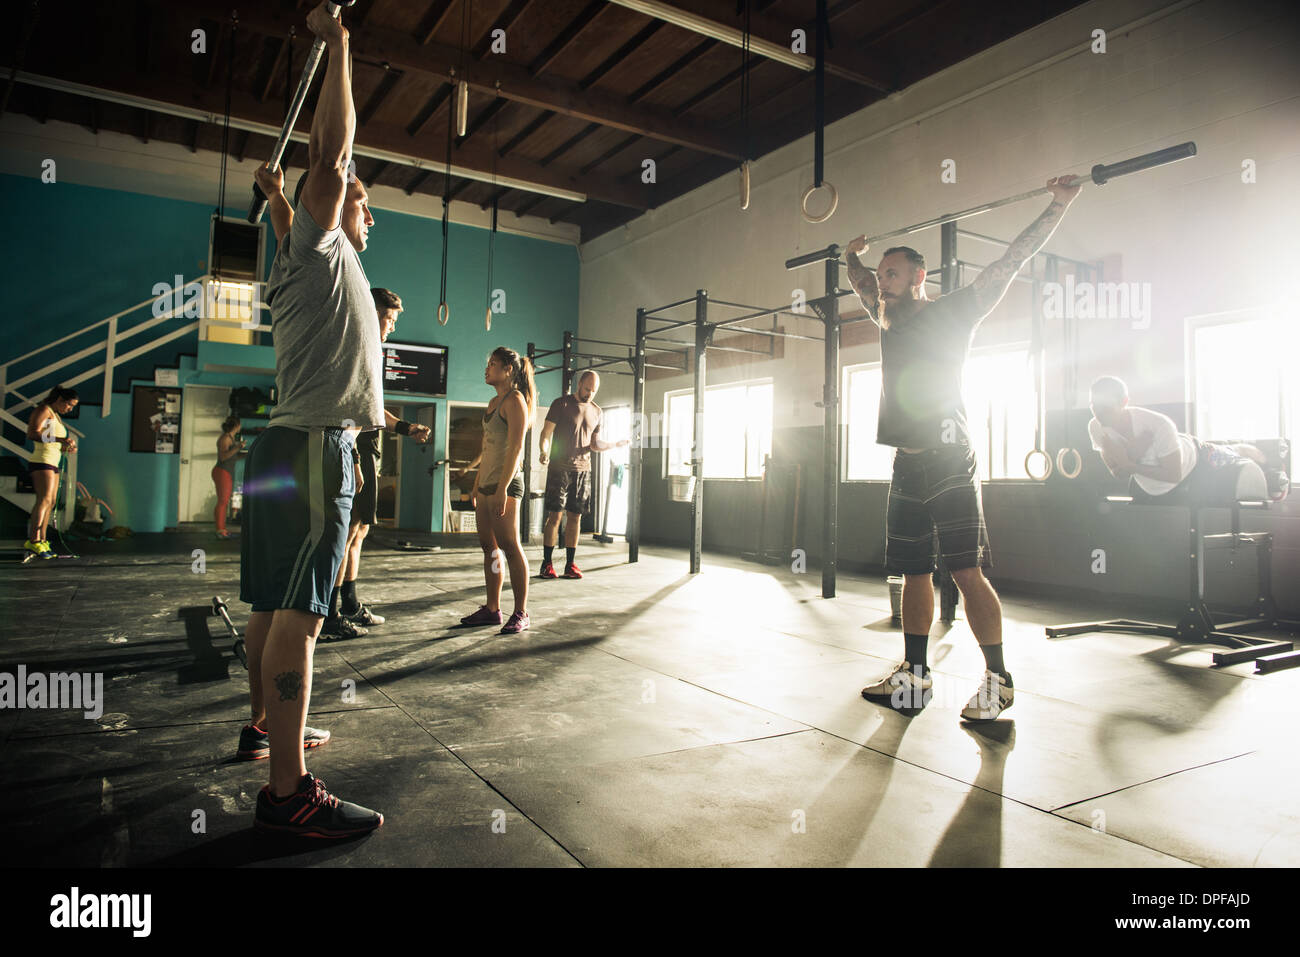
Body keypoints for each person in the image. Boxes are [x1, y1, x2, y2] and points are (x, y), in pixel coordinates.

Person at [846, 175, 1082, 721]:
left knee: (965, 571)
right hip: (907, 458)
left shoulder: (958, 309)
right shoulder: (887, 315)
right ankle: (914, 676)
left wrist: (1057, 204)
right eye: (881, 276)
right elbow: (858, 279)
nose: (881, 283)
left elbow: (1015, 257)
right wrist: (853, 257)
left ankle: (998, 679)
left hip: (951, 456)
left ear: (919, 277)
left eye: (892, 274)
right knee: (913, 571)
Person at [235, 1, 384, 837]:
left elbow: (299, 208)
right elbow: (331, 154)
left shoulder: (300, 255)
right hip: (318, 444)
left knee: (268, 604)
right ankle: (290, 794)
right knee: (301, 618)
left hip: (282, 442)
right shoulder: (325, 247)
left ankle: (263, 727)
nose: (366, 214)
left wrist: (271, 194)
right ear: (333, 210)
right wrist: (341, 45)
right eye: (360, 203)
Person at [1087, 375, 1269, 502]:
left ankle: (1238, 448)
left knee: (1227, 453)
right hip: (1159, 468)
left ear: (1124, 402)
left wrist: (1130, 463)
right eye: (1094, 406)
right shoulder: (1095, 426)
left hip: (1194, 458)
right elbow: (1119, 473)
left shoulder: (1158, 425)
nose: (1099, 413)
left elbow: (1173, 475)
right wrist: (1133, 456)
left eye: (1106, 407)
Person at [459, 347, 536, 635]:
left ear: (509, 370)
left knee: (510, 546)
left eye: (493, 364)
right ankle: (492, 608)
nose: (487, 368)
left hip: (507, 484)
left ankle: (521, 612)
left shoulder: (515, 400)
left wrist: (503, 487)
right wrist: (478, 485)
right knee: (488, 548)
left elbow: (516, 447)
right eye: (487, 363)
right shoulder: (493, 402)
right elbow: (487, 447)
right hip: (487, 485)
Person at [535, 370, 628, 580]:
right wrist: (543, 450)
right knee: (555, 516)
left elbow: (594, 444)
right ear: (579, 385)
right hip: (559, 467)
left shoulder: (597, 411)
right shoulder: (561, 404)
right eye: (587, 389)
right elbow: (545, 433)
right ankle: (547, 564)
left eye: (594, 391)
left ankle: (570, 564)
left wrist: (614, 444)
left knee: (575, 517)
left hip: (583, 469)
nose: (590, 394)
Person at [24, 385, 79, 559]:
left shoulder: (54, 415)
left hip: (53, 460)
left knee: (52, 501)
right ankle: (33, 541)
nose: (69, 409)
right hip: (42, 461)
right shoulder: (43, 410)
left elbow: (47, 438)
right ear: (59, 400)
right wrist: (61, 439)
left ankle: (42, 540)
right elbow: (33, 433)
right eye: (69, 405)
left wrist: (64, 446)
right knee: (44, 499)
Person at [213, 415, 245, 539]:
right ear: (236, 426)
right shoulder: (225, 439)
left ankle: (222, 529)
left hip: (226, 471)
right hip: (222, 471)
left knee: (224, 501)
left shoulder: (231, 438)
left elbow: (231, 456)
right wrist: (237, 448)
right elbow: (223, 457)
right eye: (239, 424)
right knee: (223, 501)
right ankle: (220, 530)